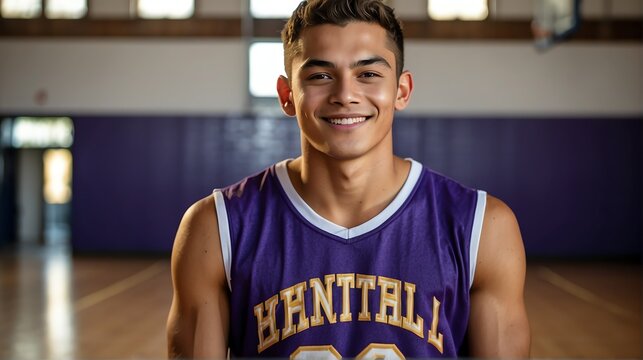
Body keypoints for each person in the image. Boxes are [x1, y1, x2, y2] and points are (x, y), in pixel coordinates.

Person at [166, 0, 530, 358]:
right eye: (320, 76)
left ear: (401, 90)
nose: (345, 95)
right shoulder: (217, 228)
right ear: (287, 95)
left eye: (368, 74)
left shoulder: (482, 228)